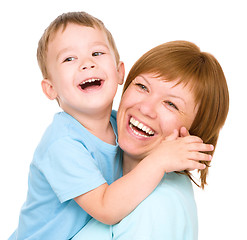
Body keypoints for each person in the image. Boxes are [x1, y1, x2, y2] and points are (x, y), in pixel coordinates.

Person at [9, 13, 213, 240]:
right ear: (50, 89)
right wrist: (159, 160)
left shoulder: (120, 126)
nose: (87, 63)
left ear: (119, 72)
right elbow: (105, 207)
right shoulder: (62, 144)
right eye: (69, 59)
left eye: (97, 53)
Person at [72, 40, 229, 239]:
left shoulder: (156, 208)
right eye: (142, 86)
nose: (145, 108)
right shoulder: (104, 170)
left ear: (194, 134)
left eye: (171, 104)